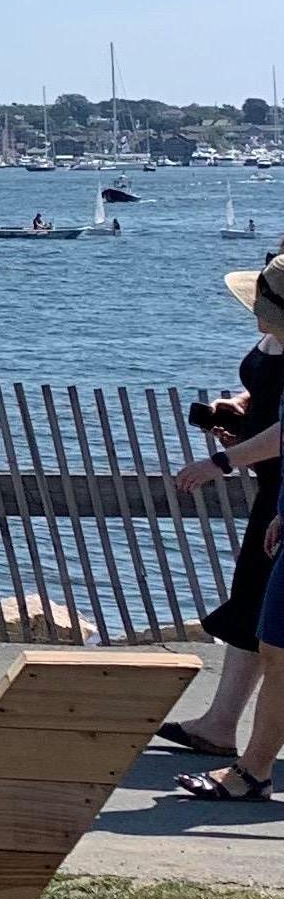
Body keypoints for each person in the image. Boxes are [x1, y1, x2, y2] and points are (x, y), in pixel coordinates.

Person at [159, 262, 284, 761]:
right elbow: (270, 400)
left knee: (264, 606)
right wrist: (240, 406)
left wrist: (222, 460)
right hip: (272, 484)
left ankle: (235, 737)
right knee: (253, 600)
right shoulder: (274, 339)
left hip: (280, 484)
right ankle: (220, 723)